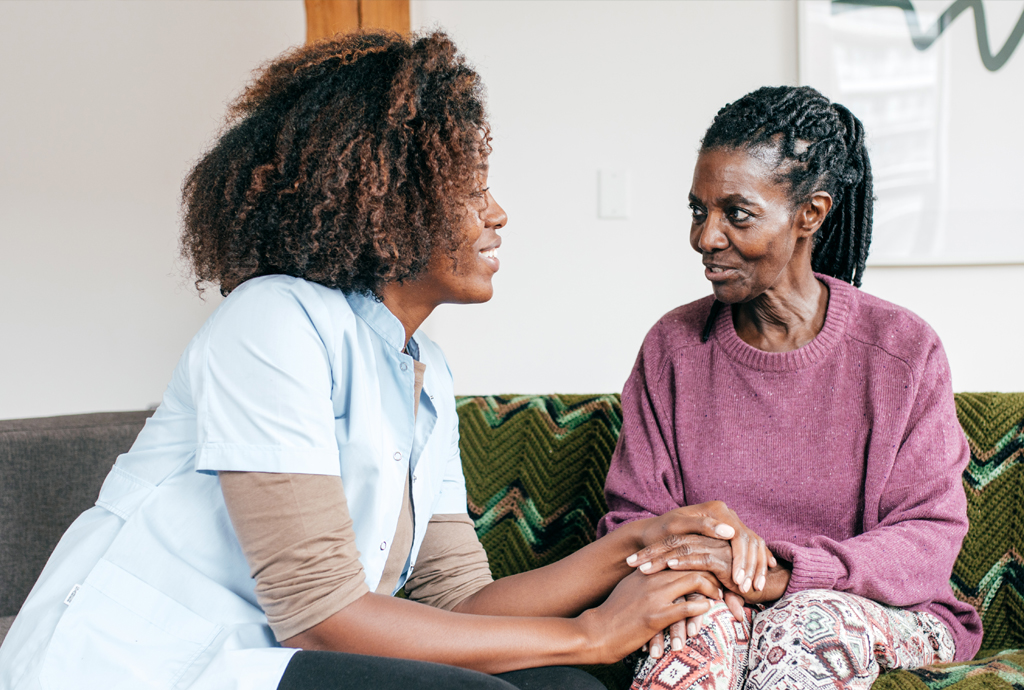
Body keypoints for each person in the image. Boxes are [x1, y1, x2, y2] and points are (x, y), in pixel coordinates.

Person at [0, 31, 734, 690]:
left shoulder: (425, 373)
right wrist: (590, 634)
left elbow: (461, 603)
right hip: (148, 665)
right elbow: (318, 616)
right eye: (472, 190)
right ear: (392, 205)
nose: (498, 213)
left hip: (279, 660)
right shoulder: (272, 321)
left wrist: (642, 542)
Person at [598, 85, 983, 690]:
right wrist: (713, 577)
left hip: (881, 612)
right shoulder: (672, 347)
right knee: (696, 628)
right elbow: (631, 520)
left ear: (811, 214)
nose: (705, 237)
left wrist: (787, 573)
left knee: (800, 626)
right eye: (698, 210)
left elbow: (927, 537)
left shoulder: (903, 351)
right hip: (716, 596)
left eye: (736, 213)